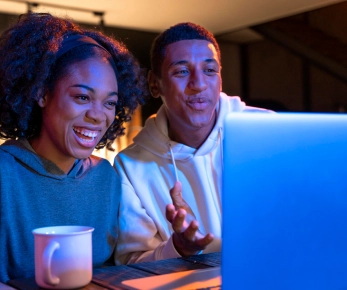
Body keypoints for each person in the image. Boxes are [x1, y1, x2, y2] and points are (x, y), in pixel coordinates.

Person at [0, 12, 146, 289]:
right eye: (82, 97)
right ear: (41, 93)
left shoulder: (107, 178)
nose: (98, 115)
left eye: (109, 103)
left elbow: (118, 275)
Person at [114, 22, 271, 265]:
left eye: (210, 70)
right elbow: (132, 263)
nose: (199, 84)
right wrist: (177, 248)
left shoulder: (266, 130)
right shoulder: (131, 166)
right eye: (181, 72)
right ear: (155, 84)